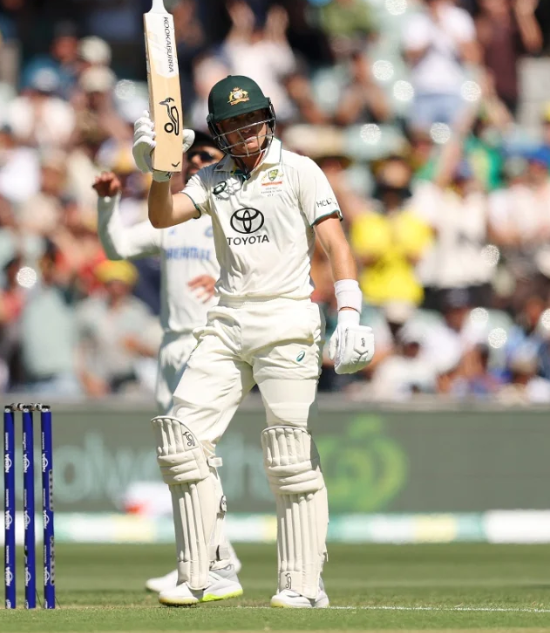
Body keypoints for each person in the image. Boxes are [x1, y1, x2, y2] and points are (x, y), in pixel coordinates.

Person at [134, 75, 375, 608]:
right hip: (226, 320)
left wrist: (351, 313)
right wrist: (158, 171)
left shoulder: (298, 170)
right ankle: (206, 572)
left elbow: (335, 242)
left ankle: (303, 584)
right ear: (218, 132)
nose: (245, 133)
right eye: (233, 125)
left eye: (252, 121)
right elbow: (161, 216)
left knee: (288, 451)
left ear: (267, 118)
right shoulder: (213, 177)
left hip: (288, 318)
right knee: (180, 439)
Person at [94, 134, 243, 594]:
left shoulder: (231, 216)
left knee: (195, 454)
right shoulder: (171, 217)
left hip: (210, 343)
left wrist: (223, 277)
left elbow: (267, 262)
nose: (196, 162)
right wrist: (108, 205)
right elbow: (116, 247)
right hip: (171, 345)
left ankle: (214, 564)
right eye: (192, 157)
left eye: (207, 158)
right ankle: (198, 562)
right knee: (176, 458)